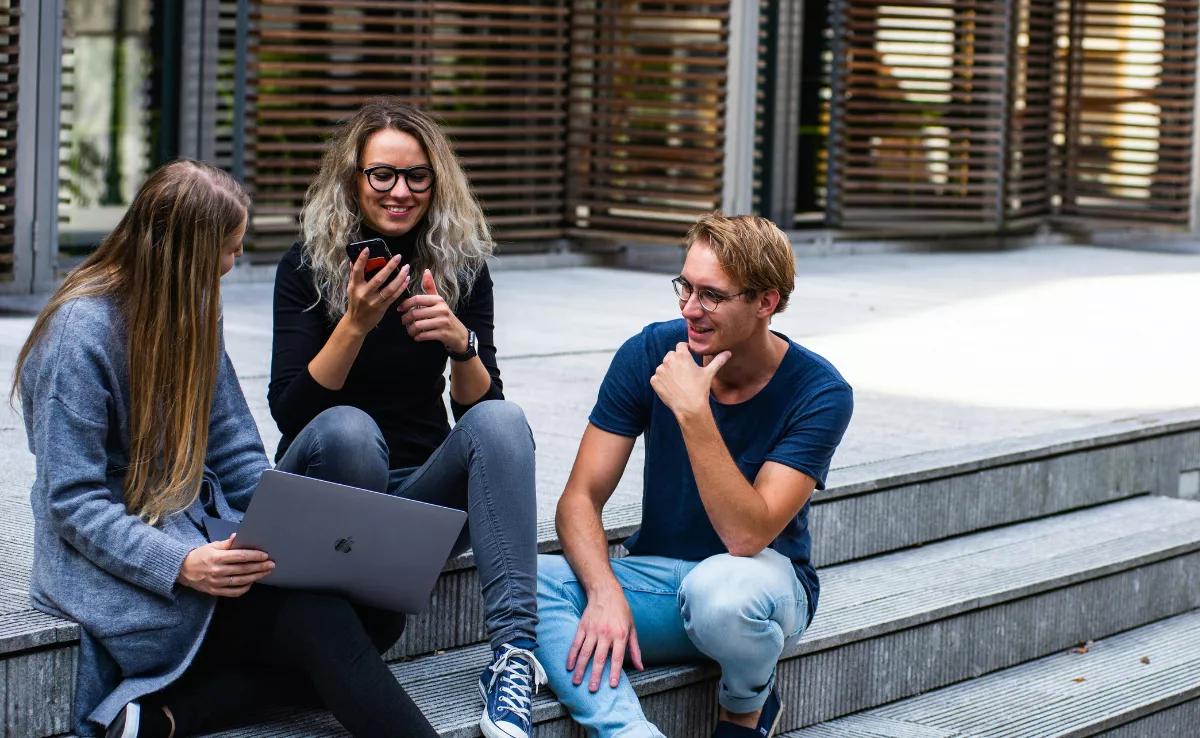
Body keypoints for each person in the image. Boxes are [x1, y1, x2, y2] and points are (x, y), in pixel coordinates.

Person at [13, 160, 440, 737]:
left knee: (379, 616)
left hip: (202, 534)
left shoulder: (191, 310)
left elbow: (236, 448)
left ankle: (170, 716)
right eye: (230, 249)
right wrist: (182, 565)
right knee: (322, 623)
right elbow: (73, 502)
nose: (234, 262)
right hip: (120, 564)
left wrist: (276, 532)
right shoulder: (78, 334)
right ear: (186, 253)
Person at [268, 98, 542, 738]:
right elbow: (291, 411)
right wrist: (356, 324)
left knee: (504, 422)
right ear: (353, 178)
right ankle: (344, 627)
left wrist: (459, 344)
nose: (400, 191)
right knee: (350, 429)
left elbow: (480, 409)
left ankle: (512, 658)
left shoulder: (459, 266)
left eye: (417, 175)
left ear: (436, 179)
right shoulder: (307, 265)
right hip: (329, 489)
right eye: (381, 174)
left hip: (417, 500)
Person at [535, 213, 854, 737]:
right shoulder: (649, 351)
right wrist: (603, 591)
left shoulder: (819, 392)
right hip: (658, 578)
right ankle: (629, 733)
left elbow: (747, 535)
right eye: (685, 287)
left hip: (759, 591)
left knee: (721, 593)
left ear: (765, 302)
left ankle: (744, 706)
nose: (689, 309)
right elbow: (579, 499)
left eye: (711, 295)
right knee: (526, 580)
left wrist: (694, 412)